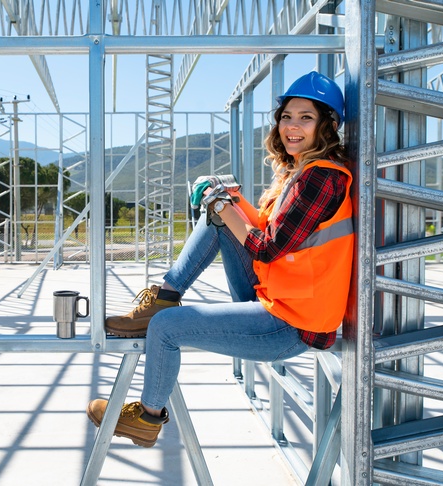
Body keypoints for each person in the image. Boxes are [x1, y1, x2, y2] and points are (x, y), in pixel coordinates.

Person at [87, 71, 354, 448]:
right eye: (286, 117)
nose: (292, 126)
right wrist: (226, 198)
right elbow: (262, 227)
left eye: (305, 118)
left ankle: (147, 418)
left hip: (290, 325)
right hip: (277, 298)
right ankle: (165, 294)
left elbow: (265, 247)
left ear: (326, 125)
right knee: (217, 218)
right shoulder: (303, 171)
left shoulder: (321, 179)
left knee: (166, 327)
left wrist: (223, 205)